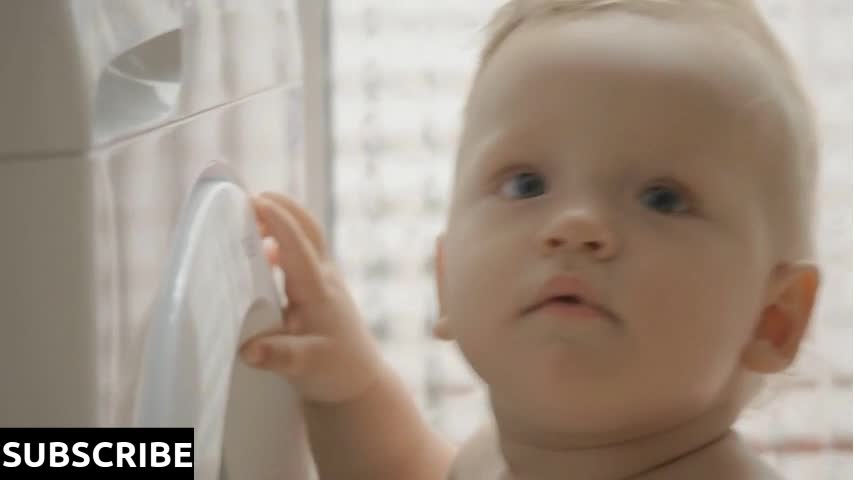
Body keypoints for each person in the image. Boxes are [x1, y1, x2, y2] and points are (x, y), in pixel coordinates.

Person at [241, 0, 821, 478]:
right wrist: (348, 388)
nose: (576, 226)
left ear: (774, 319)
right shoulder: (491, 462)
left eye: (661, 198)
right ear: (444, 278)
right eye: (526, 184)